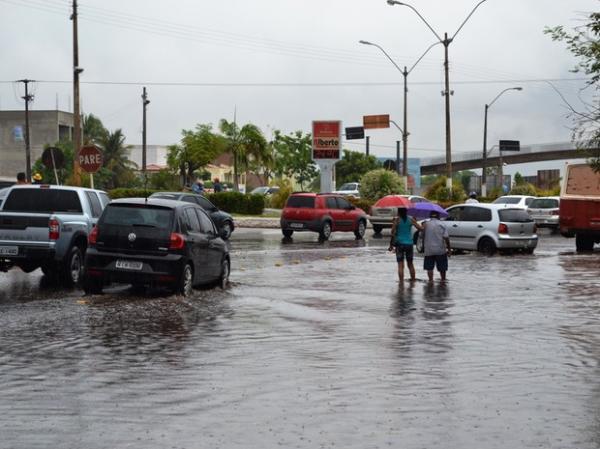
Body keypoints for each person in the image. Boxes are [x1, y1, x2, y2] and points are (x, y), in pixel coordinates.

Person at [388, 207, 422, 283]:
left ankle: (401, 283)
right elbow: (420, 228)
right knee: (410, 264)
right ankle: (413, 281)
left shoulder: (397, 220)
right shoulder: (411, 219)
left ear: (398, 212)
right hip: (409, 244)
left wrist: (394, 223)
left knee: (400, 265)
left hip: (400, 244)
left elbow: (392, 232)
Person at [421, 210, 451, 283]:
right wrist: (449, 249)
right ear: (438, 216)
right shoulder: (442, 224)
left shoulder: (426, 224)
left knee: (429, 268)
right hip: (440, 250)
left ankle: (430, 281)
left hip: (428, 250)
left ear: (430, 216)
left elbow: (422, 236)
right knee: (442, 267)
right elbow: (446, 237)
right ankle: (443, 281)